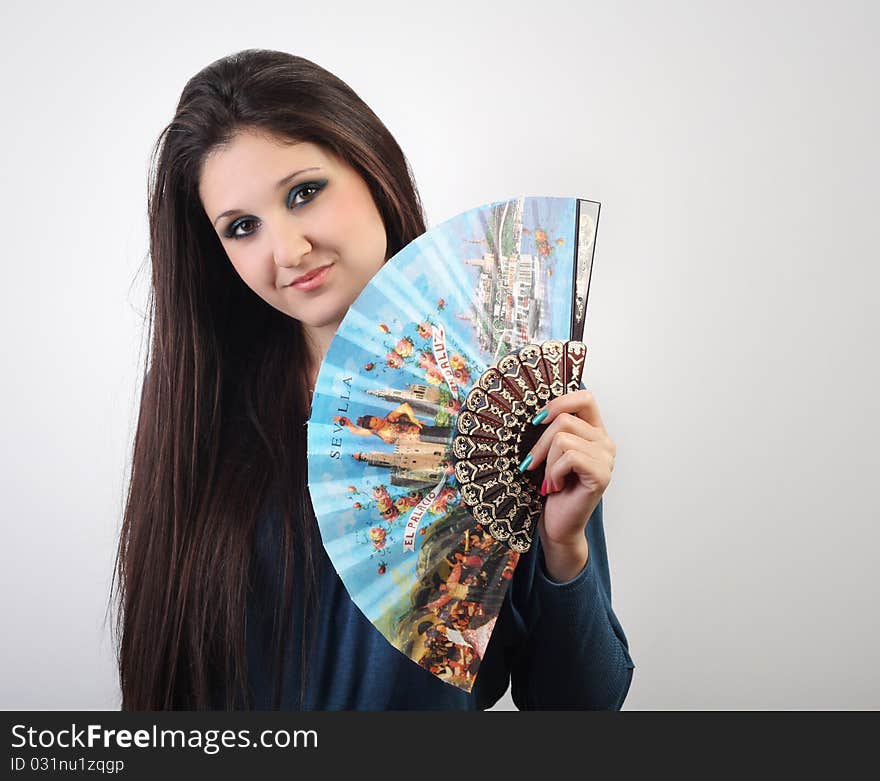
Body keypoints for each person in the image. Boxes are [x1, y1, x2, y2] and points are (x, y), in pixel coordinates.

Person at [113, 48, 635, 710]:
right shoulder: (206, 414)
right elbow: (165, 689)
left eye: (304, 192)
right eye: (242, 227)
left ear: (370, 165)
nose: (288, 250)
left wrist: (565, 546)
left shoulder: (513, 396)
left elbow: (579, 708)